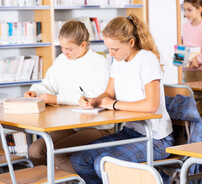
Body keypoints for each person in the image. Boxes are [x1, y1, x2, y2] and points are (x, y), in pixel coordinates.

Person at [71, 13, 173, 184]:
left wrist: (115, 105)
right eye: (108, 48)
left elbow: (151, 105)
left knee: (103, 164)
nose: (111, 54)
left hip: (156, 139)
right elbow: (108, 94)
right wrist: (94, 100)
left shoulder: (146, 60)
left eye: (115, 49)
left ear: (131, 43)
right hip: (131, 132)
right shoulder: (118, 61)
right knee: (80, 159)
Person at [25, 20, 112, 173]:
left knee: (58, 152)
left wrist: (58, 99)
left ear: (83, 45)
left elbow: (96, 98)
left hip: (97, 126)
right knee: (35, 150)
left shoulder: (99, 62)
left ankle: (80, 181)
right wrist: (35, 92)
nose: (65, 52)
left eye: (69, 49)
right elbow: (48, 85)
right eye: (62, 47)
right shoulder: (62, 60)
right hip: (70, 125)